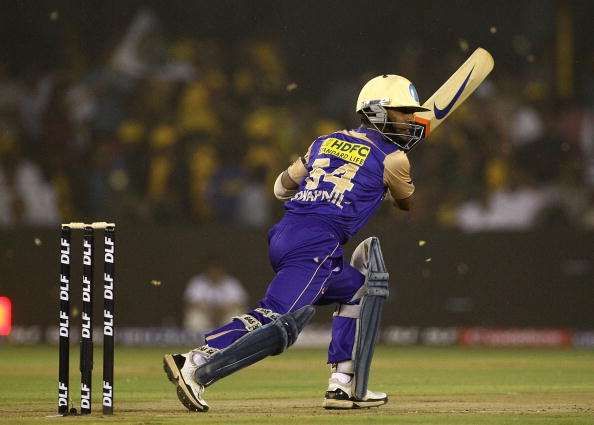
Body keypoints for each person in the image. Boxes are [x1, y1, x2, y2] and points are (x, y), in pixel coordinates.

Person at [163, 74, 429, 412]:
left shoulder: (324, 141)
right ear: (378, 111)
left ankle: (343, 383)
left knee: (356, 289)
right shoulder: (395, 158)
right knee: (277, 321)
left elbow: (280, 187)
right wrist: (380, 180)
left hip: (290, 231)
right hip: (316, 242)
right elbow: (405, 202)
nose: (412, 120)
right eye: (404, 112)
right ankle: (195, 363)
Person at [183, 259, 247, 332]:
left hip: (225, 315)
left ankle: (231, 341)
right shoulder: (198, 282)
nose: (215, 272)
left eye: (217, 269)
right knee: (195, 317)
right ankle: (198, 342)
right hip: (205, 315)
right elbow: (190, 303)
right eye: (212, 269)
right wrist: (209, 310)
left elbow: (240, 303)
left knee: (237, 314)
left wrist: (222, 310)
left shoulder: (231, 283)